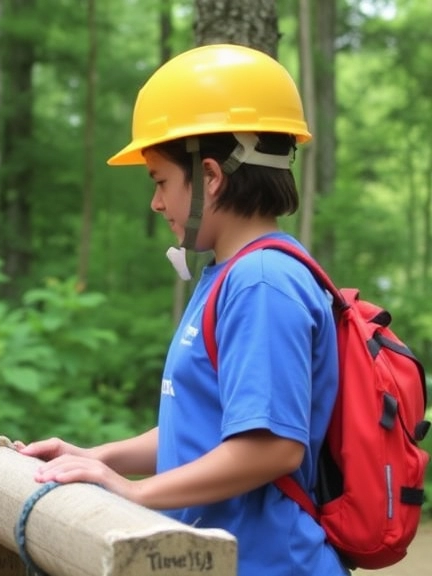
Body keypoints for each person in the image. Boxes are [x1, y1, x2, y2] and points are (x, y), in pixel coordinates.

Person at [19, 44, 347, 575]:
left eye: (160, 181)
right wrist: (99, 457)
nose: (155, 203)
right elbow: (207, 427)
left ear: (211, 177)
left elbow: (270, 448)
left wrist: (135, 492)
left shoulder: (263, 283)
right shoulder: (225, 274)